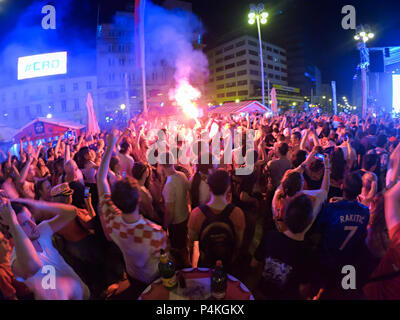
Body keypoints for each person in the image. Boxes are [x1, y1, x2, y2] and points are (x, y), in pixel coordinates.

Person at [97, 132, 167, 296]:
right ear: (139, 201)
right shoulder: (156, 233)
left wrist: (109, 148)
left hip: (132, 273)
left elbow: (101, 179)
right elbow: (164, 262)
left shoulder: (112, 219)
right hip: (152, 278)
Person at [0, 198, 90, 300]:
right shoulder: (17, 260)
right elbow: (33, 264)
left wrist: (36, 204)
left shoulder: (41, 231)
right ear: (13, 230)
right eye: (24, 223)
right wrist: (13, 222)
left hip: (84, 294)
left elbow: (72, 212)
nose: (33, 225)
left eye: (31, 218)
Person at [252, 193, 320, 300]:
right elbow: (303, 290)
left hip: (262, 292)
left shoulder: (270, 236)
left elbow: (254, 263)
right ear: (310, 221)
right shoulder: (308, 253)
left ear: (286, 216)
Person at [188, 169, 245, 270]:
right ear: (228, 188)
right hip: (228, 263)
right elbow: (238, 243)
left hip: (206, 263)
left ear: (209, 187)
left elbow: (192, 242)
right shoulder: (238, 213)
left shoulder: (196, 214)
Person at [160, 151, 191, 267]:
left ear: (162, 165)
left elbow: (170, 212)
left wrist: (164, 226)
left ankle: (185, 269)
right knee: (184, 245)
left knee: (179, 251)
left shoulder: (169, 185)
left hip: (176, 223)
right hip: (185, 215)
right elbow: (189, 191)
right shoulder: (182, 175)